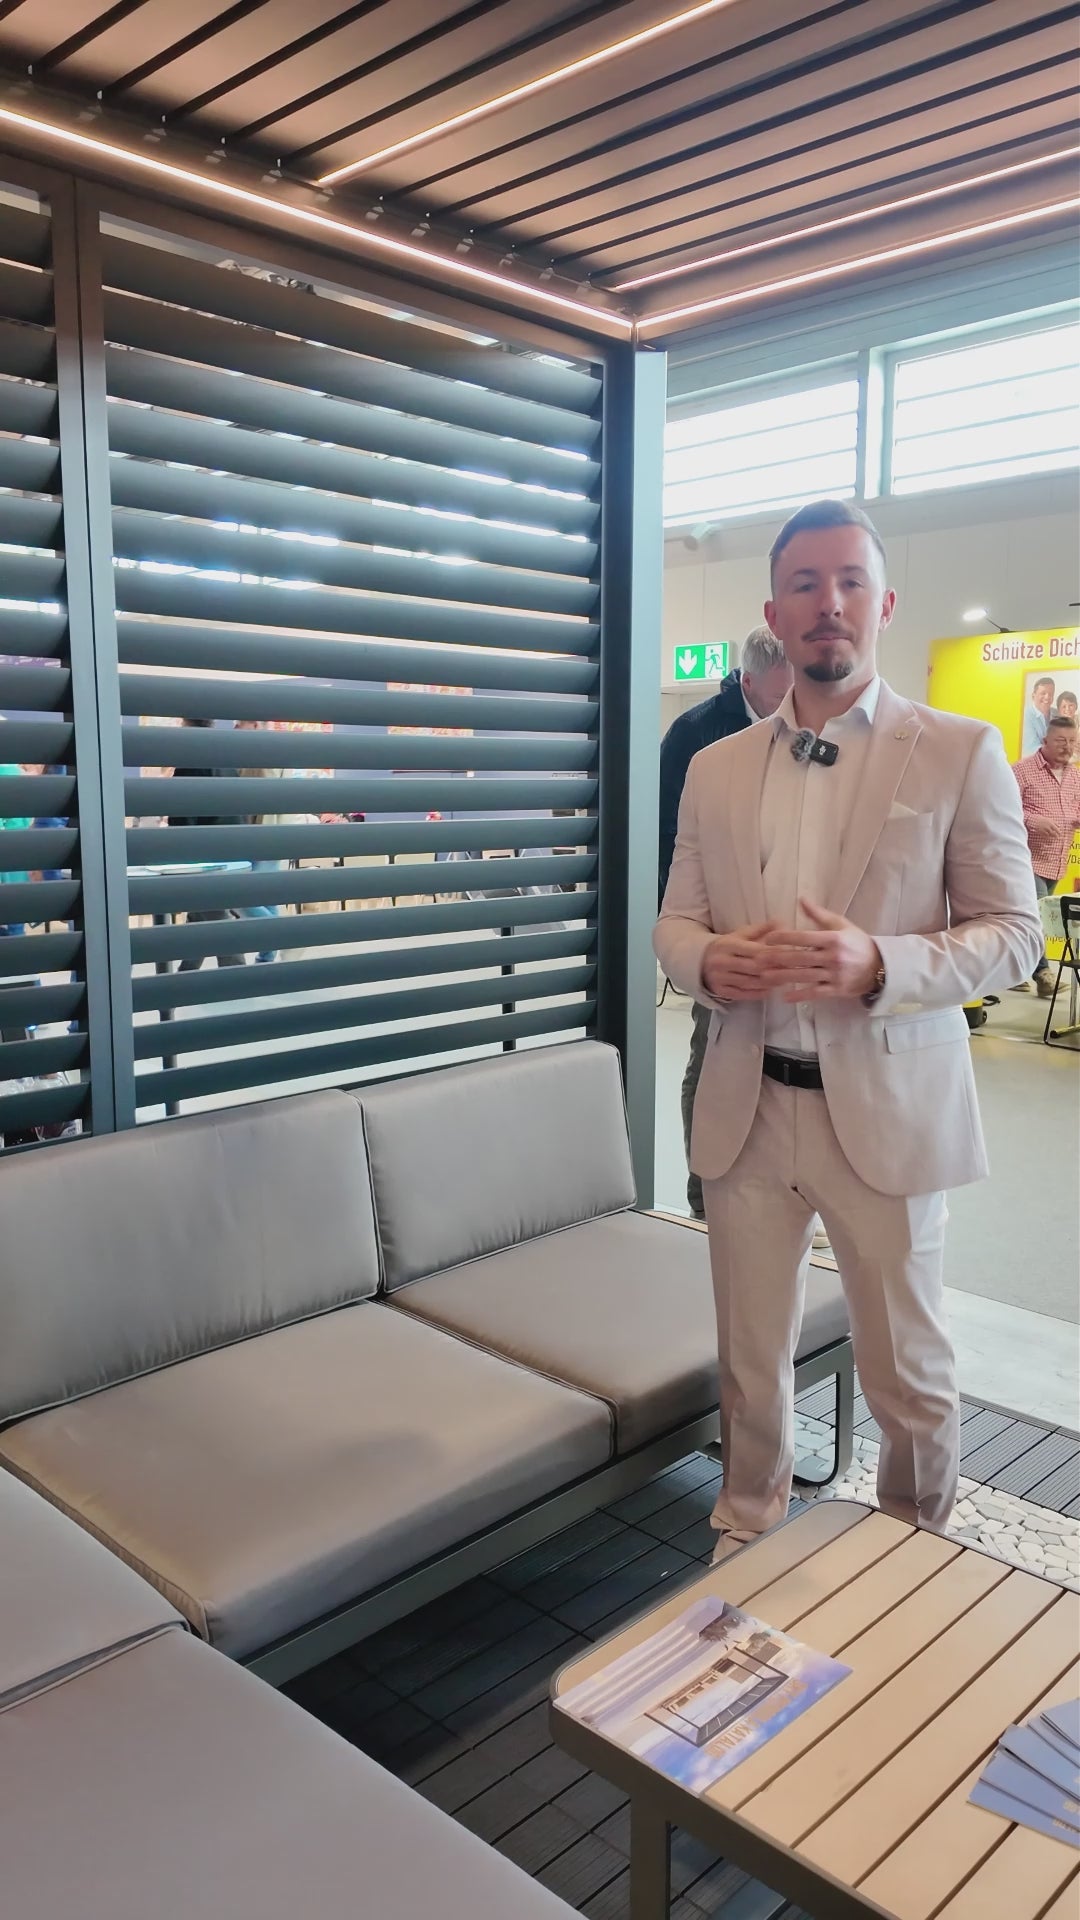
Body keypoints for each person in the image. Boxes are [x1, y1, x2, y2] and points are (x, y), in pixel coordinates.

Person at [656, 498, 1041, 1559]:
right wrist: (706, 963)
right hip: (747, 1104)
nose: (828, 603)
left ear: (885, 603)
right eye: (805, 584)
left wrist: (882, 964)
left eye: (850, 581)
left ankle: (912, 1550)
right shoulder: (715, 766)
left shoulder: (959, 750)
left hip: (888, 1111)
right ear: (774, 611)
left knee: (907, 1370)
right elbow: (675, 920)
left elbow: (1016, 935)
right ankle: (747, 1527)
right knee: (750, 1358)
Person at [659, 628, 792, 1218]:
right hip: (719, 930)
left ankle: (782, 1199)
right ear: (749, 680)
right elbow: (668, 840)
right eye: (781, 694)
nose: (791, 704)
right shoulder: (696, 734)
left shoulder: (808, 729)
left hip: (783, 927)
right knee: (712, 1057)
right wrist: (690, 936)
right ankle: (704, 1199)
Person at [168, 718, 246, 971]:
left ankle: (238, 979)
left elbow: (182, 816)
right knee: (200, 918)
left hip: (203, 856)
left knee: (216, 920)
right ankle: (184, 977)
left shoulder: (191, 761)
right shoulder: (225, 758)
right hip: (231, 850)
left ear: (187, 725)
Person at [1012, 713, 1080, 998]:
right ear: (1045, 740)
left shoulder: (1076, 775)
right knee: (1036, 915)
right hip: (1024, 858)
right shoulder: (1022, 770)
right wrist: (1033, 821)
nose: (1067, 747)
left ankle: (1014, 971)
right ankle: (1043, 974)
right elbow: (1002, 809)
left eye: (1072, 741)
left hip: (1056, 860)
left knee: (1024, 919)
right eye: (1061, 740)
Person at [1022, 677, 1056, 756]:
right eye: (1043, 693)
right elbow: (1032, 748)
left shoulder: (1057, 713)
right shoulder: (1025, 716)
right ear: (1033, 696)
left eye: (1051, 694)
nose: (1047, 697)